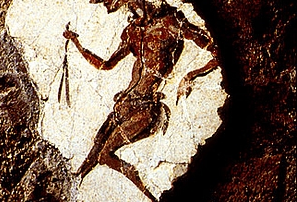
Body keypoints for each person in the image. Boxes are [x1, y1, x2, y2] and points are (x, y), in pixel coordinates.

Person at [63, 0, 218, 201]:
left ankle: (151, 197)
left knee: (105, 155)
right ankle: (76, 183)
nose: (110, 8)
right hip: (126, 102)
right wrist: (76, 43)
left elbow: (216, 53)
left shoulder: (172, 22)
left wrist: (191, 75)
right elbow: (105, 64)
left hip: (146, 107)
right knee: (97, 144)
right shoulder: (133, 31)